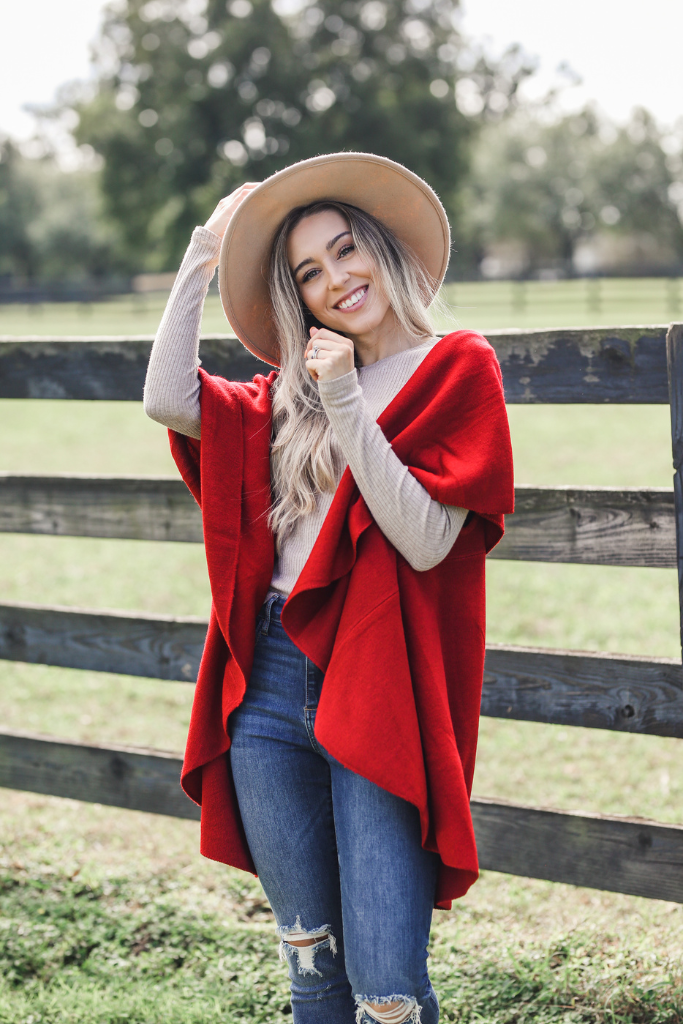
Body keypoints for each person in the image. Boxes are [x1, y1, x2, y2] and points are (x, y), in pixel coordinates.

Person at [144, 152, 514, 1024]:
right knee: (311, 972)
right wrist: (204, 253)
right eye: (309, 272)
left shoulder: (456, 367)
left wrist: (346, 398)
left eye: (346, 250)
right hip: (267, 688)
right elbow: (167, 398)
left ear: (381, 249)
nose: (336, 279)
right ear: (299, 298)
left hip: (376, 682)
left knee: (385, 985)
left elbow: (427, 543)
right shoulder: (285, 396)